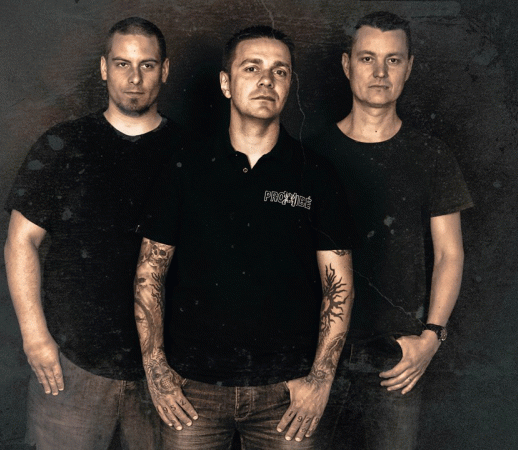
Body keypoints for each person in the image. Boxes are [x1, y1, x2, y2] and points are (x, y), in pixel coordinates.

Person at [133, 26, 356, 450]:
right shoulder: (185, 166)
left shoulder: (316, 174)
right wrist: (157, 371)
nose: (266, 81)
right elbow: (150, 273)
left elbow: (339, 285)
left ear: (289, 86)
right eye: (252, 68)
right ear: (226, 83)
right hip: (192, 390)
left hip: (287, 394)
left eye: (280, 71)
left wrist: (320, 380)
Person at [4, 17, 181, 450]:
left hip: (167, 371)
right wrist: (35, 337)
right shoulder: (64, 144)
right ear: (103, 68)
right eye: (122, 64)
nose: (134, 78)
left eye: (147, 65)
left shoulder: (192, 151)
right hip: (71, 364)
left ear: (165, 70)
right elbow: (20, 241)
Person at [311, 11, 474, 450]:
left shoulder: (431, 155)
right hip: (317, 355)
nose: (380, 72)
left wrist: (431, 338)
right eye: (367, 58)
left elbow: (450, 254)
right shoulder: (312, 154)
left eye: (393, 60)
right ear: (347, 65)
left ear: (409, 67)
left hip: (397, 358)